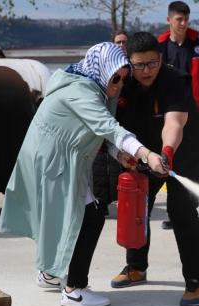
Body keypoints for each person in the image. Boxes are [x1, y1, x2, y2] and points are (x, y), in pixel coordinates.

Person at [0, 43, 165, 306]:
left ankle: (50, 274)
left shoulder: (95, 88)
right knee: (90, 217)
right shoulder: (81, 91)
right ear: (102, 71)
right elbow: (107, 125)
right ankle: (75, 289)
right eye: (116, 78)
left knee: (62, 217)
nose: (120, 84)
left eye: (124, 78)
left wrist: (118, 153)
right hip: (55, 161)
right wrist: (147, 154)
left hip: (58, 158)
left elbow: (101, 133)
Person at [110, 32, 199, 306]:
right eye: (139, 65)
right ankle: (136, 267)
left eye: (153, 63)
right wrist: (127, 153)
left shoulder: (174, 80)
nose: (147, 71)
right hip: (145, 151)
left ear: (160, 58)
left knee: (180, 212)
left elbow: (174, 124)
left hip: (186, 152)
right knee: (137, 204)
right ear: (129, 62)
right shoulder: (124, 81)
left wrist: (167, 152)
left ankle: (195, 282)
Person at [157, 1, 199, 238]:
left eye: (186, 19)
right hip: (169, 116)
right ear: (169, 20)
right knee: (174, 163)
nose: (183, 23)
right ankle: (181, 213)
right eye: (178, 19)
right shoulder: (159, 48)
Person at [90, 30, 130, 216]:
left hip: (120, 127)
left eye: (124, 42)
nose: (122, 46)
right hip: (104, 129)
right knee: (98, 166)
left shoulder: (129, 73)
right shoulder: (101, 76)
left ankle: (117, 197)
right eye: (118, 42)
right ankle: (101, 201)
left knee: (117, 167)